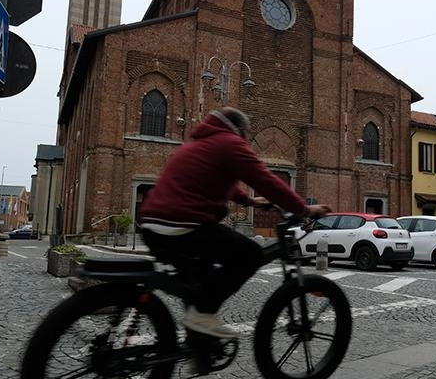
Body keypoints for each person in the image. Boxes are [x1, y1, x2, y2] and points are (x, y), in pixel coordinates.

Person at [138, 107, 328, 339]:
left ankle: (199, 343)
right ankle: (200, 316)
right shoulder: (229, 143)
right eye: (246, 132)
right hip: (182, 226)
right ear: (238, 129)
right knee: (250, 255)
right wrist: (303, 209)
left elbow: (219, 178)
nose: (247, 137)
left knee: (200, 281)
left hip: (153, 226)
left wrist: (249, 200)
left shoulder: (200, 142)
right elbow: (265, 179)